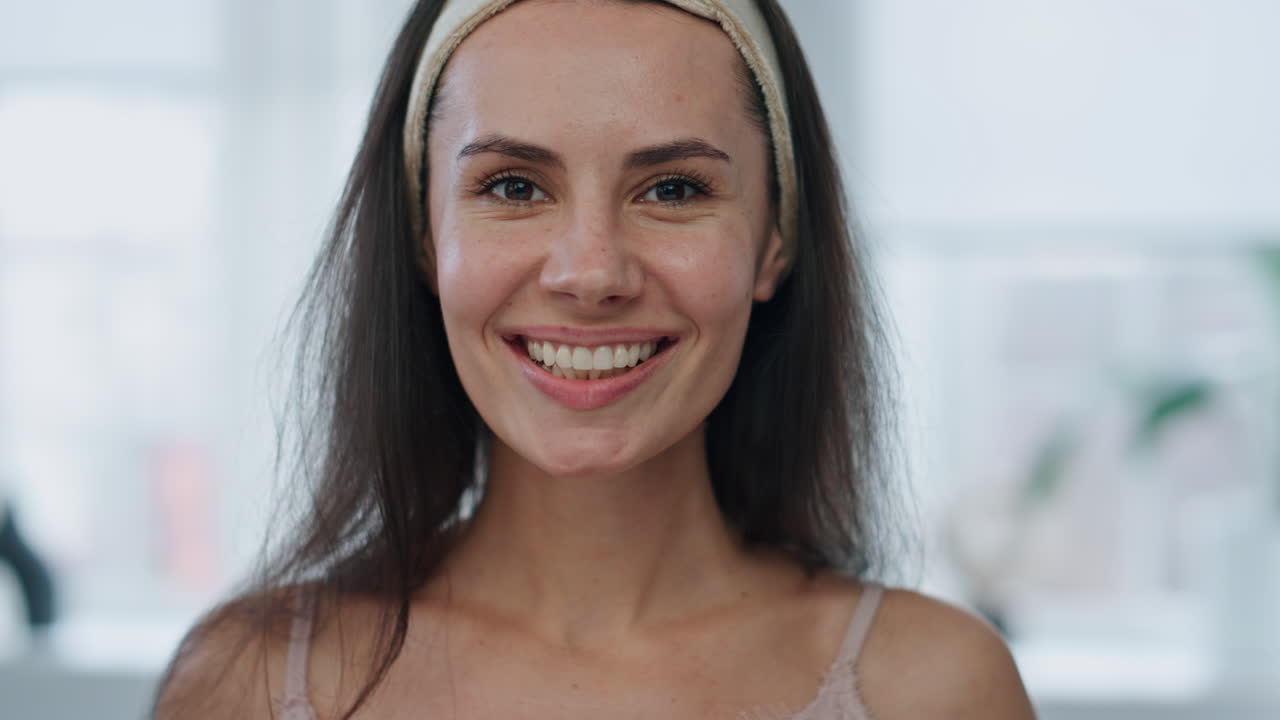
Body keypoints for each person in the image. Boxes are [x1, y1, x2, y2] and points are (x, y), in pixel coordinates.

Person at [155, 0, 1037, 718]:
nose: (590, 273)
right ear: (426, 239)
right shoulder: (252, 685)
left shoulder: (932, 690)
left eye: (673, 189)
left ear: (775, 240)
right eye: (513, 186)